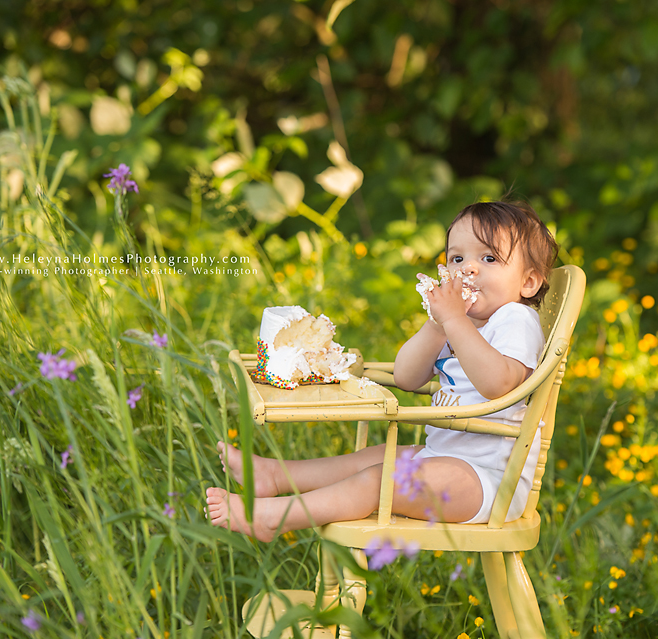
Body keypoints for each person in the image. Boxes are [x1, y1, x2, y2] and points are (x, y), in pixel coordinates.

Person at [205, 200, 558, 541]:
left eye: (489, 258)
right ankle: (274, 476)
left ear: (528, 283)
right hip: (446, 459)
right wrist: (437, 326)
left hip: (489, 480)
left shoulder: (515, 319)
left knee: (378, 480)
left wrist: (453, 320)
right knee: (372, 458)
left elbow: (499, 384)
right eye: (457, 258)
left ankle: (272, 518)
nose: (468, 269)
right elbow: (407, 377)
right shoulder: (460, 323)